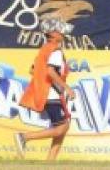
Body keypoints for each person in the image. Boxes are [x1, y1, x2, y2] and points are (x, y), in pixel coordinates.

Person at [14, 18, 75, 162]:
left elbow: (32, 70)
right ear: (53, 34)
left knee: (61, 129)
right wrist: (67, 88)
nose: (64, 34)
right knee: (62, 128)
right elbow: (51, 72)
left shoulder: (44, 50)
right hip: (52, 94)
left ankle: (50, 162)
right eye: (62, 31)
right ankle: (24, 137)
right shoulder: (55, 51)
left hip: (47, 93)